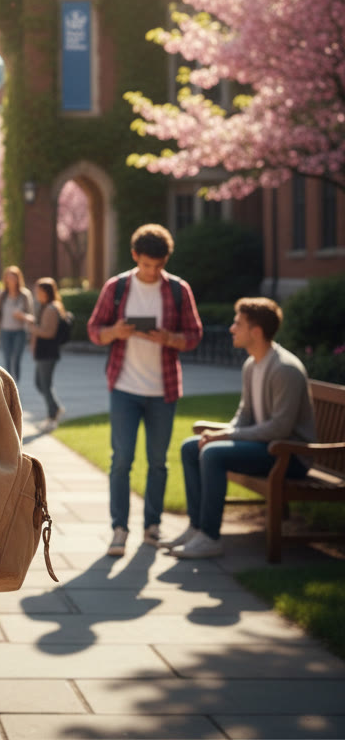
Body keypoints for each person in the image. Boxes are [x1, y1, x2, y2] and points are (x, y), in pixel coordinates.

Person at [167, 297, 315, 559]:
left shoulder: (285, 370)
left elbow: (280, 429)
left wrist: (226, 436)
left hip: (289, 455)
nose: (231, 329)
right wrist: (221, 433)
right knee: (192, 447)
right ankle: (197, 527)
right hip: (265, 447)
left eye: (238, 324)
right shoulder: (251, 365)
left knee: (213, 453)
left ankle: (210, 538)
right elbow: (244, 415)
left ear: (255, 331)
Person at [87, 223, 202, 557]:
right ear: (135, 256)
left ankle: (152, 526)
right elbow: (94, 330)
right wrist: (116, 332)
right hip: (124, 387)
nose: (153, 272)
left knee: (158, 462)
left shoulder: (179, 290)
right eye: (147, 264)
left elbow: (194, 335)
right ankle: (119, 529)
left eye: (159, 265)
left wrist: (169, 338)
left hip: (162, 390)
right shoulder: (117, 287)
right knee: (121, 460)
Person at [19, 277, 67, 429]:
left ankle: (52, 415)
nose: (36, 294)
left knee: (44, 384)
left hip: (48, 352)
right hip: (43, 352)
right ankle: (55, 408)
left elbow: (48, 333)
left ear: (47, 292)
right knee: (41, 384)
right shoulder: (46, 307)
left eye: (39, 291)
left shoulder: (51, 309)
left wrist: (31, 327)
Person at [0, 265, 33, 383]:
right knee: (7, 358)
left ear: (18, 279)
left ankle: (16, 383)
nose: (11, 280)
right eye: (8, 277)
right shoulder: (2, 294)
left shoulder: (24, 295)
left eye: (13, 277)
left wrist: (22, 316)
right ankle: (9, 384)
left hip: (20, 331)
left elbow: (31, 316)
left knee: (16, 358)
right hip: (5, 331)